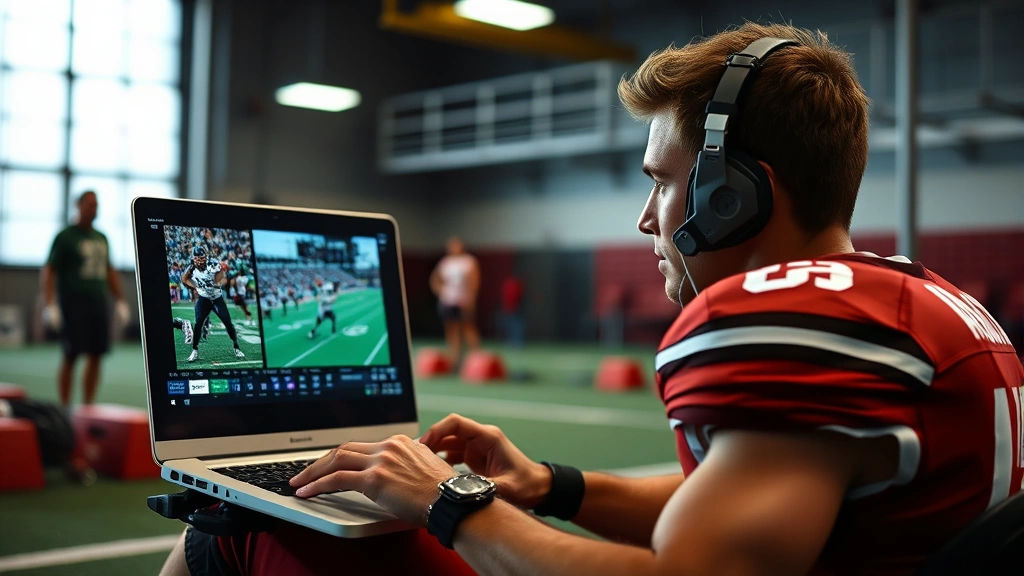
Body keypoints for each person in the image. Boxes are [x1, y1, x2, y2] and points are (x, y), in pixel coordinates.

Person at [161, 22, 1023, 576]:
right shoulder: (925, 303)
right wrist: (550, 485)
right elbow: (725, 518)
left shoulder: (789, 325)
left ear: (735, 197)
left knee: (239, 532)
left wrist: (448, 502)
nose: (645, 217)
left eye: (662, 183)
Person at [41, 191, 130, 407]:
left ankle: (88, 406)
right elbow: (51, 270)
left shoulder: (102, 238)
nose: (94, 209)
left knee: (96, 354)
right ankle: (65, 407)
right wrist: (50, 302)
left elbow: (110, 271)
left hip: (98, 301)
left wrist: (120, 300)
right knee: (71, 355)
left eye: (96, 205)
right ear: (78, 206)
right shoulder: (66, 237)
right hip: (74, 301)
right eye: (90, 204)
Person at [181, 245, 245, 363]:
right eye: (198, 258)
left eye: (202, 258)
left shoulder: (214, 264)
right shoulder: (191, 268)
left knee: (228, 322)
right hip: (204, 298)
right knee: (198, 323)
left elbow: (222, 279)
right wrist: (195, 286)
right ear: (194, 258)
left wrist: (218, 279)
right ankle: (194, 350)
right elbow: (184, 279)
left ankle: (236, 347)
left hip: (216, 298)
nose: (200, 260)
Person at [430, 237, 481, 365]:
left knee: (468, 327)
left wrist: (472, 300)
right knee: (451, 328)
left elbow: (475, 282)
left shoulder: (469, 261)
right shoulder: (445, 262)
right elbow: (435, 279)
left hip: (464, 300)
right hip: (448, 301)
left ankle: (476, 356)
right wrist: (441, 291)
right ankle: (455, 357)